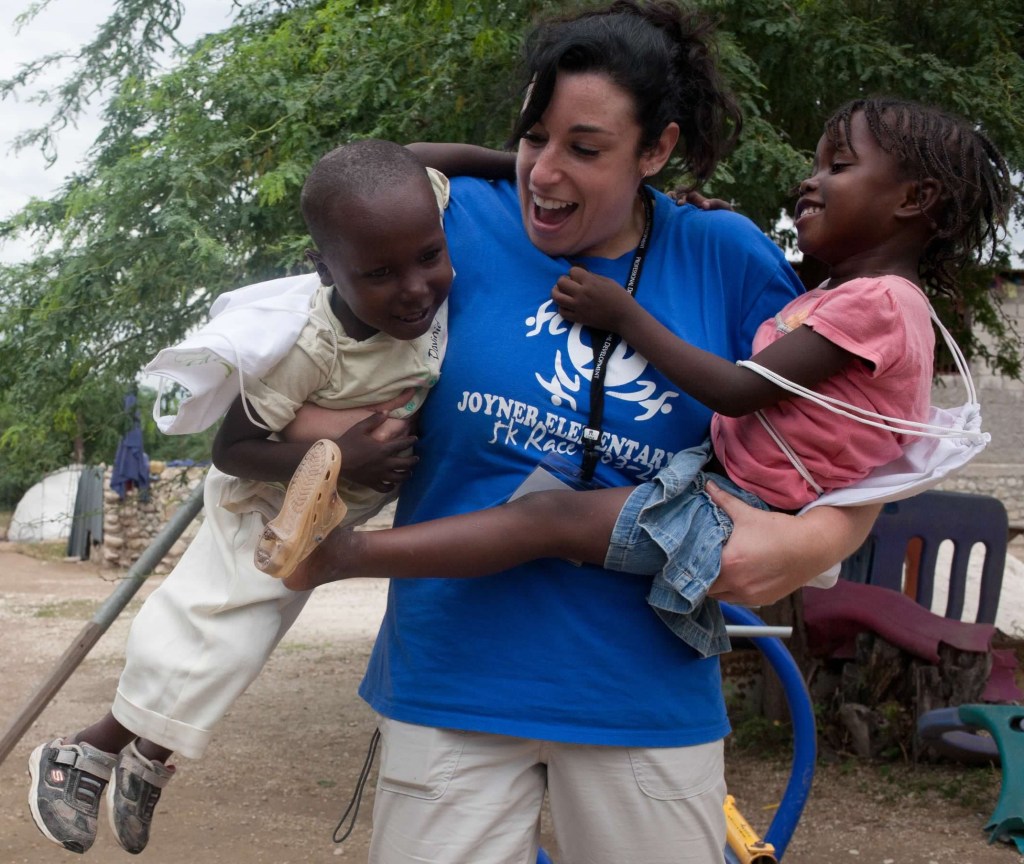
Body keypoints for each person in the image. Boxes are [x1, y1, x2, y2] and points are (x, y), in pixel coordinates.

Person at [280, 4, 892, 863]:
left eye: (587, 148)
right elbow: (356, 186)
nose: (546, 174)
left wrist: (815, 541)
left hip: (642, 695)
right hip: (453, 681)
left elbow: (872, 425)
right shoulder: (451, 227)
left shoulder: (726, 254)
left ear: (658, 150)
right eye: (536, 137)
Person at [286, 97, 1011, 667]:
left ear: (914, 200)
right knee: (553, 524)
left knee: (550, 522)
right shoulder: (843, 298)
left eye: (839, 167)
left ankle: (341, 554)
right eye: (540, 139)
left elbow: (737, 389)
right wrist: (532, 163)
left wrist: (625, 315)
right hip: (721, 487)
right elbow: (401, 162)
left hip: (737, 507)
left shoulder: (881, 304)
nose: (808, 180)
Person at [26, 138, 455, 856]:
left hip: (323, 514)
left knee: (244, 646)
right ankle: (81, 754)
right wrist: (342, 453)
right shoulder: (312, 347)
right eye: (379, 274)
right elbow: (232, 448)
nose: (414, 288)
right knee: (209, 627)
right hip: (261, 496)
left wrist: (521, 167)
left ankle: (146, 760)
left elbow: (433, 163)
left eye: (428, 259)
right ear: (327, 270)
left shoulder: (421, 224)